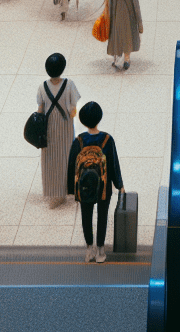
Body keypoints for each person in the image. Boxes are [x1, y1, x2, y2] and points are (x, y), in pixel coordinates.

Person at [67, 101, 124, 263]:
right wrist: (119, 185)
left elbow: (72, 165)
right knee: (102, 216)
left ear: (83, 121)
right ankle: (100, 250)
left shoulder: (79, 141)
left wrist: (72, 189)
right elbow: (114, 164)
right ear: (99, 118)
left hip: (84, 188)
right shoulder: (107, 140)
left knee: (86, 216)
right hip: (104, 187)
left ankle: (89, 249)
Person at [37, 52, 80, 208]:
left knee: (49, 160)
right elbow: (73, 110)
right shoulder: (69, 85)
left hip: (48, 128)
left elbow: (40, 109)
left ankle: (53, 192)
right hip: (65, 126)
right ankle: (65, 190)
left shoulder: (42, 87)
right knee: (66, 157)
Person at [104, 0, 142, 70]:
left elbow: (108, 1)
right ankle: (126, 59)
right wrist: (139, 22)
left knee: (116, 36)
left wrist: (108, 16)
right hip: (128, 14)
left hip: (115, 14)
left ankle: (116, 58)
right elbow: (135, 2)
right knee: (127, 37)